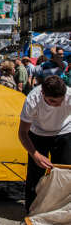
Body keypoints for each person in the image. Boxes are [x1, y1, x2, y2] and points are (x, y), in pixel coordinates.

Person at [18, 76, 71, 212]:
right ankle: (31, 213)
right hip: (38, 134)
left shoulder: (69, 96)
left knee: (64, 174)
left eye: (60, 101)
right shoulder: (32, 99)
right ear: (42, 94)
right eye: (52, 101)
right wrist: (35, 155)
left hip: (64, 132)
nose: (58, 105)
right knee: (36, 176)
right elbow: (22, 133)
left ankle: (60, 212)